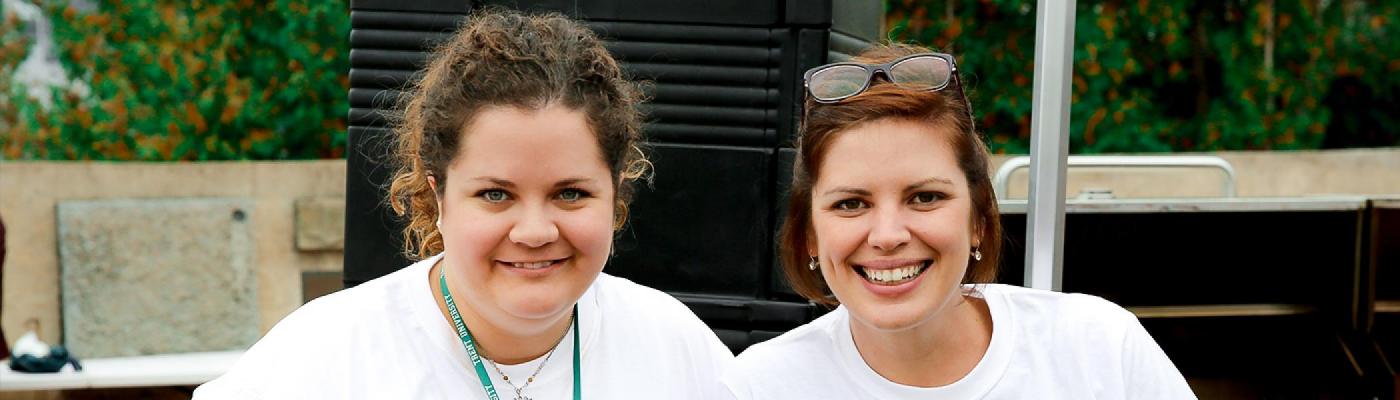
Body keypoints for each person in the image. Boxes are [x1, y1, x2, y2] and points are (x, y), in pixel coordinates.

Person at [196, 8, 732, 399]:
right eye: (495, 194)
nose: (535, 231)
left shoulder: (673, 347)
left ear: (616, 195)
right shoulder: (324, 357)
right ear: (438, 195)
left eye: (570, 193)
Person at [721, 44, 1195, 399]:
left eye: (925, 197)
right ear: (809, 234)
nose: (888, 236)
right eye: (850, 204)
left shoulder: (1098, 349)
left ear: (979, 220)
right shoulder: (760, 387)